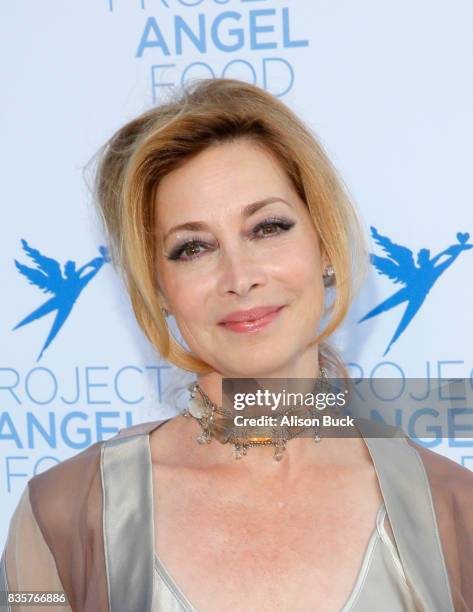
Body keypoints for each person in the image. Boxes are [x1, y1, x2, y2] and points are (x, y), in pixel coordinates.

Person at [1, 78, 472, 612]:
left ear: (325, 245)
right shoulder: (63, 515)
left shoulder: (455, 513)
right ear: (158, 288)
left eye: (267, 227)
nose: (239, 276)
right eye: (192, 247)